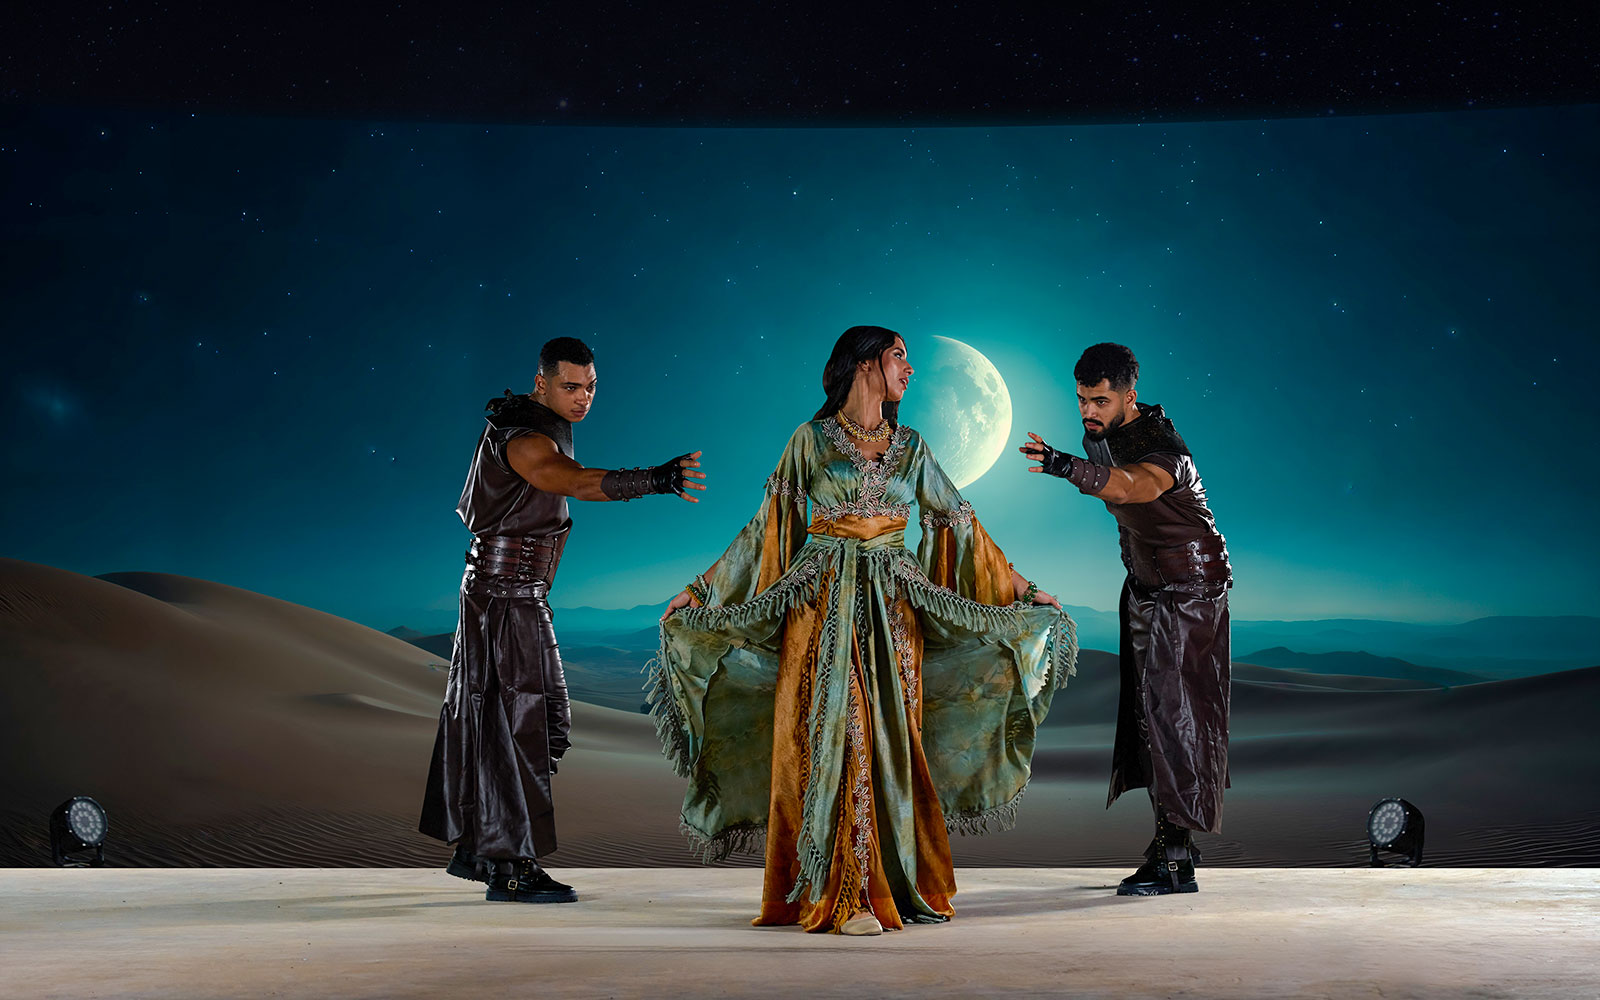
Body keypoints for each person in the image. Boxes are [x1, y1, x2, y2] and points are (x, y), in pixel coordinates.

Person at [651, 326, 1076, 935]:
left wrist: (1025, 590)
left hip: (897, 612)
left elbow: (964, 528)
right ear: (867, 364)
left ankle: (891, 884)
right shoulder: (809, 441)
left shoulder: (913, 448)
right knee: (835, 732)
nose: (910, 369)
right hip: (819, 606)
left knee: (886, 739)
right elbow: (763, 530)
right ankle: (844, 892)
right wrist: (699, 590)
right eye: (900, 356)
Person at [419, 336, 707, 904]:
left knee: (536, 722)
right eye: (571, 386)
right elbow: (569, 481)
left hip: (519, 596)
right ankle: (510, 866)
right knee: (521, 726)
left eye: (591, 387)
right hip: (501, 600)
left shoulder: (543, 428)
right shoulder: (524, 439)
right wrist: (655, 479)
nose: (583, 398)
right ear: (541, 384)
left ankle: (484, 848)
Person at [1018, 342, 1230, 896]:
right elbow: (1126, 508)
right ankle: (1174, 839)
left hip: (1190, 586)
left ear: (1130, 397)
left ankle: (1176, 858)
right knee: (1147, 716)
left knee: (1174, 714)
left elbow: (1135, 487)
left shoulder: (1164, 448)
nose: (1090, 411)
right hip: (1144, 584)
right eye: (1083, 399)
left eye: (1102, 401)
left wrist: (1065, 466)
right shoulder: (1101, 436)